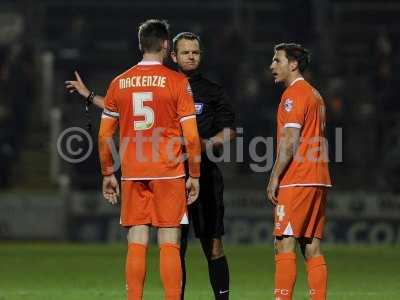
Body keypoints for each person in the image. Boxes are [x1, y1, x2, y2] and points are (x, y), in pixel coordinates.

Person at [66, 32, 235, 300]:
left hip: (195, 172)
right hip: (173, 173)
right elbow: (123, 107)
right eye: (186, 52)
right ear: (172, 54)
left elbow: (230, 132)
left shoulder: (212, 91)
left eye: (196, 52)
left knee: (210, 245)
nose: (192, 56)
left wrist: (203, 145)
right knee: (173, 245)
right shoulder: (173, 83)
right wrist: (90, 96)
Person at [266, 43, 331, 300]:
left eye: (277, 60)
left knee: (283, 242)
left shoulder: (293, 94)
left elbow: (291, 139)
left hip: (298, 178)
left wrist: (274, 175)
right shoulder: (315, 94)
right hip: (318, 178)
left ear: (293, 64)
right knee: (311, 245)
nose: (272, 66)